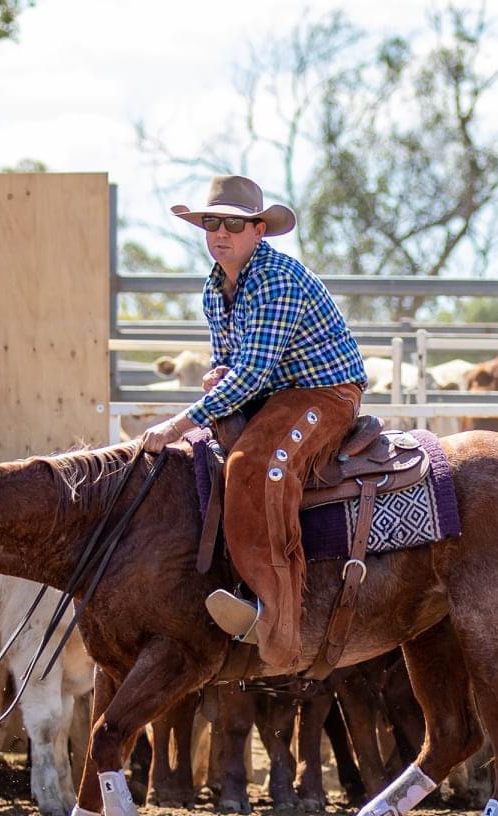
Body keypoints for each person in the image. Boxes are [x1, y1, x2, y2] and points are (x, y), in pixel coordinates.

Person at [139, 175, 367, 671]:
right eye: (212, 223)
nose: (221, 233)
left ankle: (279, 620)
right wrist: (217, 376)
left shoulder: (275, 278)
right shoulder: (214, 288)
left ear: (258, 230)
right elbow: (230, 364)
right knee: (205, 458)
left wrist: (177, 424)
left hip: (325, 392)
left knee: (255, 462)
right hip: (276, 393)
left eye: (234, 225)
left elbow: (252, 374)